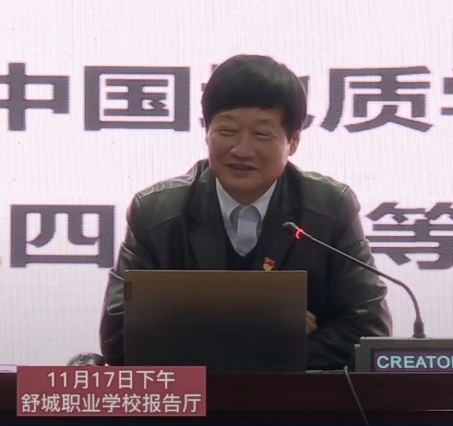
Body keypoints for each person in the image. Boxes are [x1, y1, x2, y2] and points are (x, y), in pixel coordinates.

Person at [99, 54, 393, 370]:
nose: (241, 149)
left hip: (292, 397)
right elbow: (119, 338)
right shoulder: (156, 212)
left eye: (262, 134)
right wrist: (267, 325)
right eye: (227, 131)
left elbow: (369, 332)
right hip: (192, 398)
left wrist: (207, 337)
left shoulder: (330, 208)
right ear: (206, 131)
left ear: (293, 141)